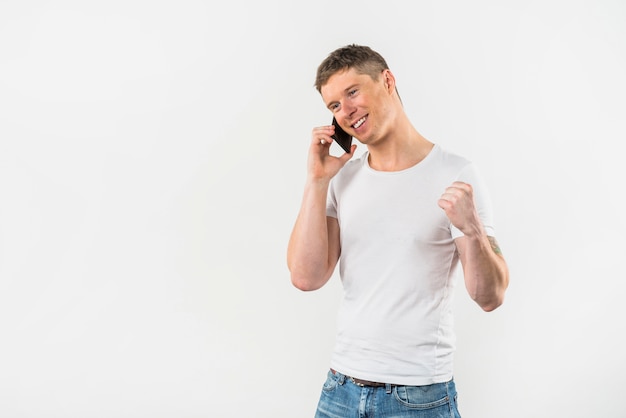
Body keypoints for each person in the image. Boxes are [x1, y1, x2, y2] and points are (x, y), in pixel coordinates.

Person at [287, 44, 509, 418]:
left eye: (352, 92)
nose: (345, 111)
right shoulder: (342, 179)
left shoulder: (455, 172)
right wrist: (316, 181)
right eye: (334, 106)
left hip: (418, 397)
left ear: (387, 81)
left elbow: (490, 296)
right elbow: (306, 277)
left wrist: (472, 232)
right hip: (340, 389)